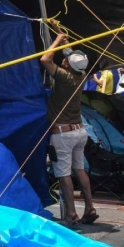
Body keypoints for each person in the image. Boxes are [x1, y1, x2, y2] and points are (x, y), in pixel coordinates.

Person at [40, 31, 98, 225]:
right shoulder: (81, 75)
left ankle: (71, 213)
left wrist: (56, 39)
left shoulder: (64, 78)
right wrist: (65, 42)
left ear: (66, 66)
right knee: (80, 169)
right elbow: (73, 58)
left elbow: (45, 59)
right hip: (80, 131)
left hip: (63, 133)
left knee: (64, 174)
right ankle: (90, 207)